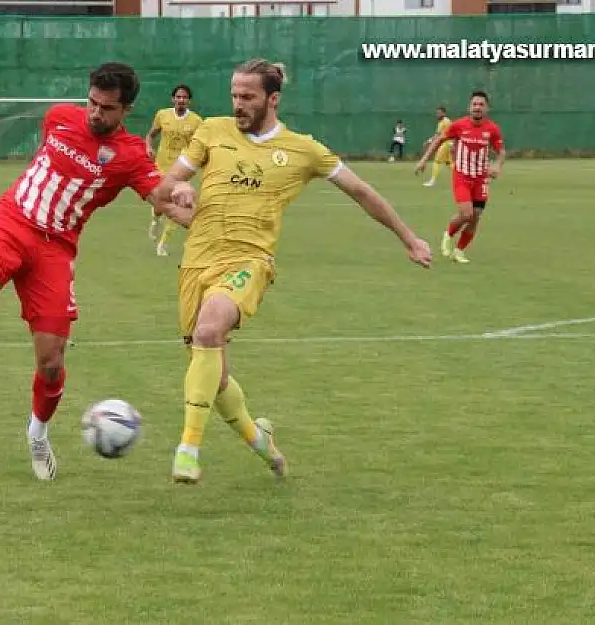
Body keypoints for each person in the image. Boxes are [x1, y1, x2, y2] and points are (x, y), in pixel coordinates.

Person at [151, 59, 433, 484]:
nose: (238, 104)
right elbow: (161, 189)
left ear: (273, 99)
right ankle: (261, 441)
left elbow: (361, 192)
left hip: (249, 262)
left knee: (210, 331)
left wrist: (409, 238)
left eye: (248, 97)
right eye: (234, 96)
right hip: (197, 261)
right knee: (214, 373)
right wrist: (180, 189)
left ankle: (188, 448)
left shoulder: (304, 150)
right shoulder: (212, 132)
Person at [0, 62, 193, 481]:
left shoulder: (131, 155)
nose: (95, 113)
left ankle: (37, 434)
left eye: (107, 108)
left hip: (55, 250)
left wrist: (187, 198)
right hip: (10, 221)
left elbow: (165, 199)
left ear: (126, 110)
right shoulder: (59, 117)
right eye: (92, 102)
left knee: (51, 362)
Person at [415, 90, 505, 264]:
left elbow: (501, 151)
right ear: (469, 107)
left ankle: (459, 250)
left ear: (487, 108)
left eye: (481, 105)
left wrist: (497, 166)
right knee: (467, 214)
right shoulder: (458, 126)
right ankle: (448, 234)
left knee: (476, 216)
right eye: (474, 104)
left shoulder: (492, 129)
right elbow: (439, 140)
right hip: (462, 176)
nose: (477, 107)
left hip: (481, 179)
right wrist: (423, 160)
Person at [145, 84, 202, 257]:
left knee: (179, 203)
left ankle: (163, 243)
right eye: (178, 97)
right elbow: (150, 134)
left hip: (182, 169)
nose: (181, 100)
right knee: (159, 202)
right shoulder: (163, 115)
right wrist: (148, 147)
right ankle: (155, 220)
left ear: (189, 101)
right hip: (161, 166)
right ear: (173, 99)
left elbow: (199, 145)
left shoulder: (197, 121)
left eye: (184, 97)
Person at [421, 106, 453, 187]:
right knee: (449, 164)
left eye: (439, 113)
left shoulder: (446, 121)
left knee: (437, 161)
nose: (437, 114)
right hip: (447, 143)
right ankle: (466, 177)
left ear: (444, 113)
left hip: (447, 143)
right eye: (437, 113)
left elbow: (442, 134)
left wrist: (428, 142)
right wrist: (429, 141)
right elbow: (437, 135)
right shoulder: (441, 122)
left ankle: (433, 181)